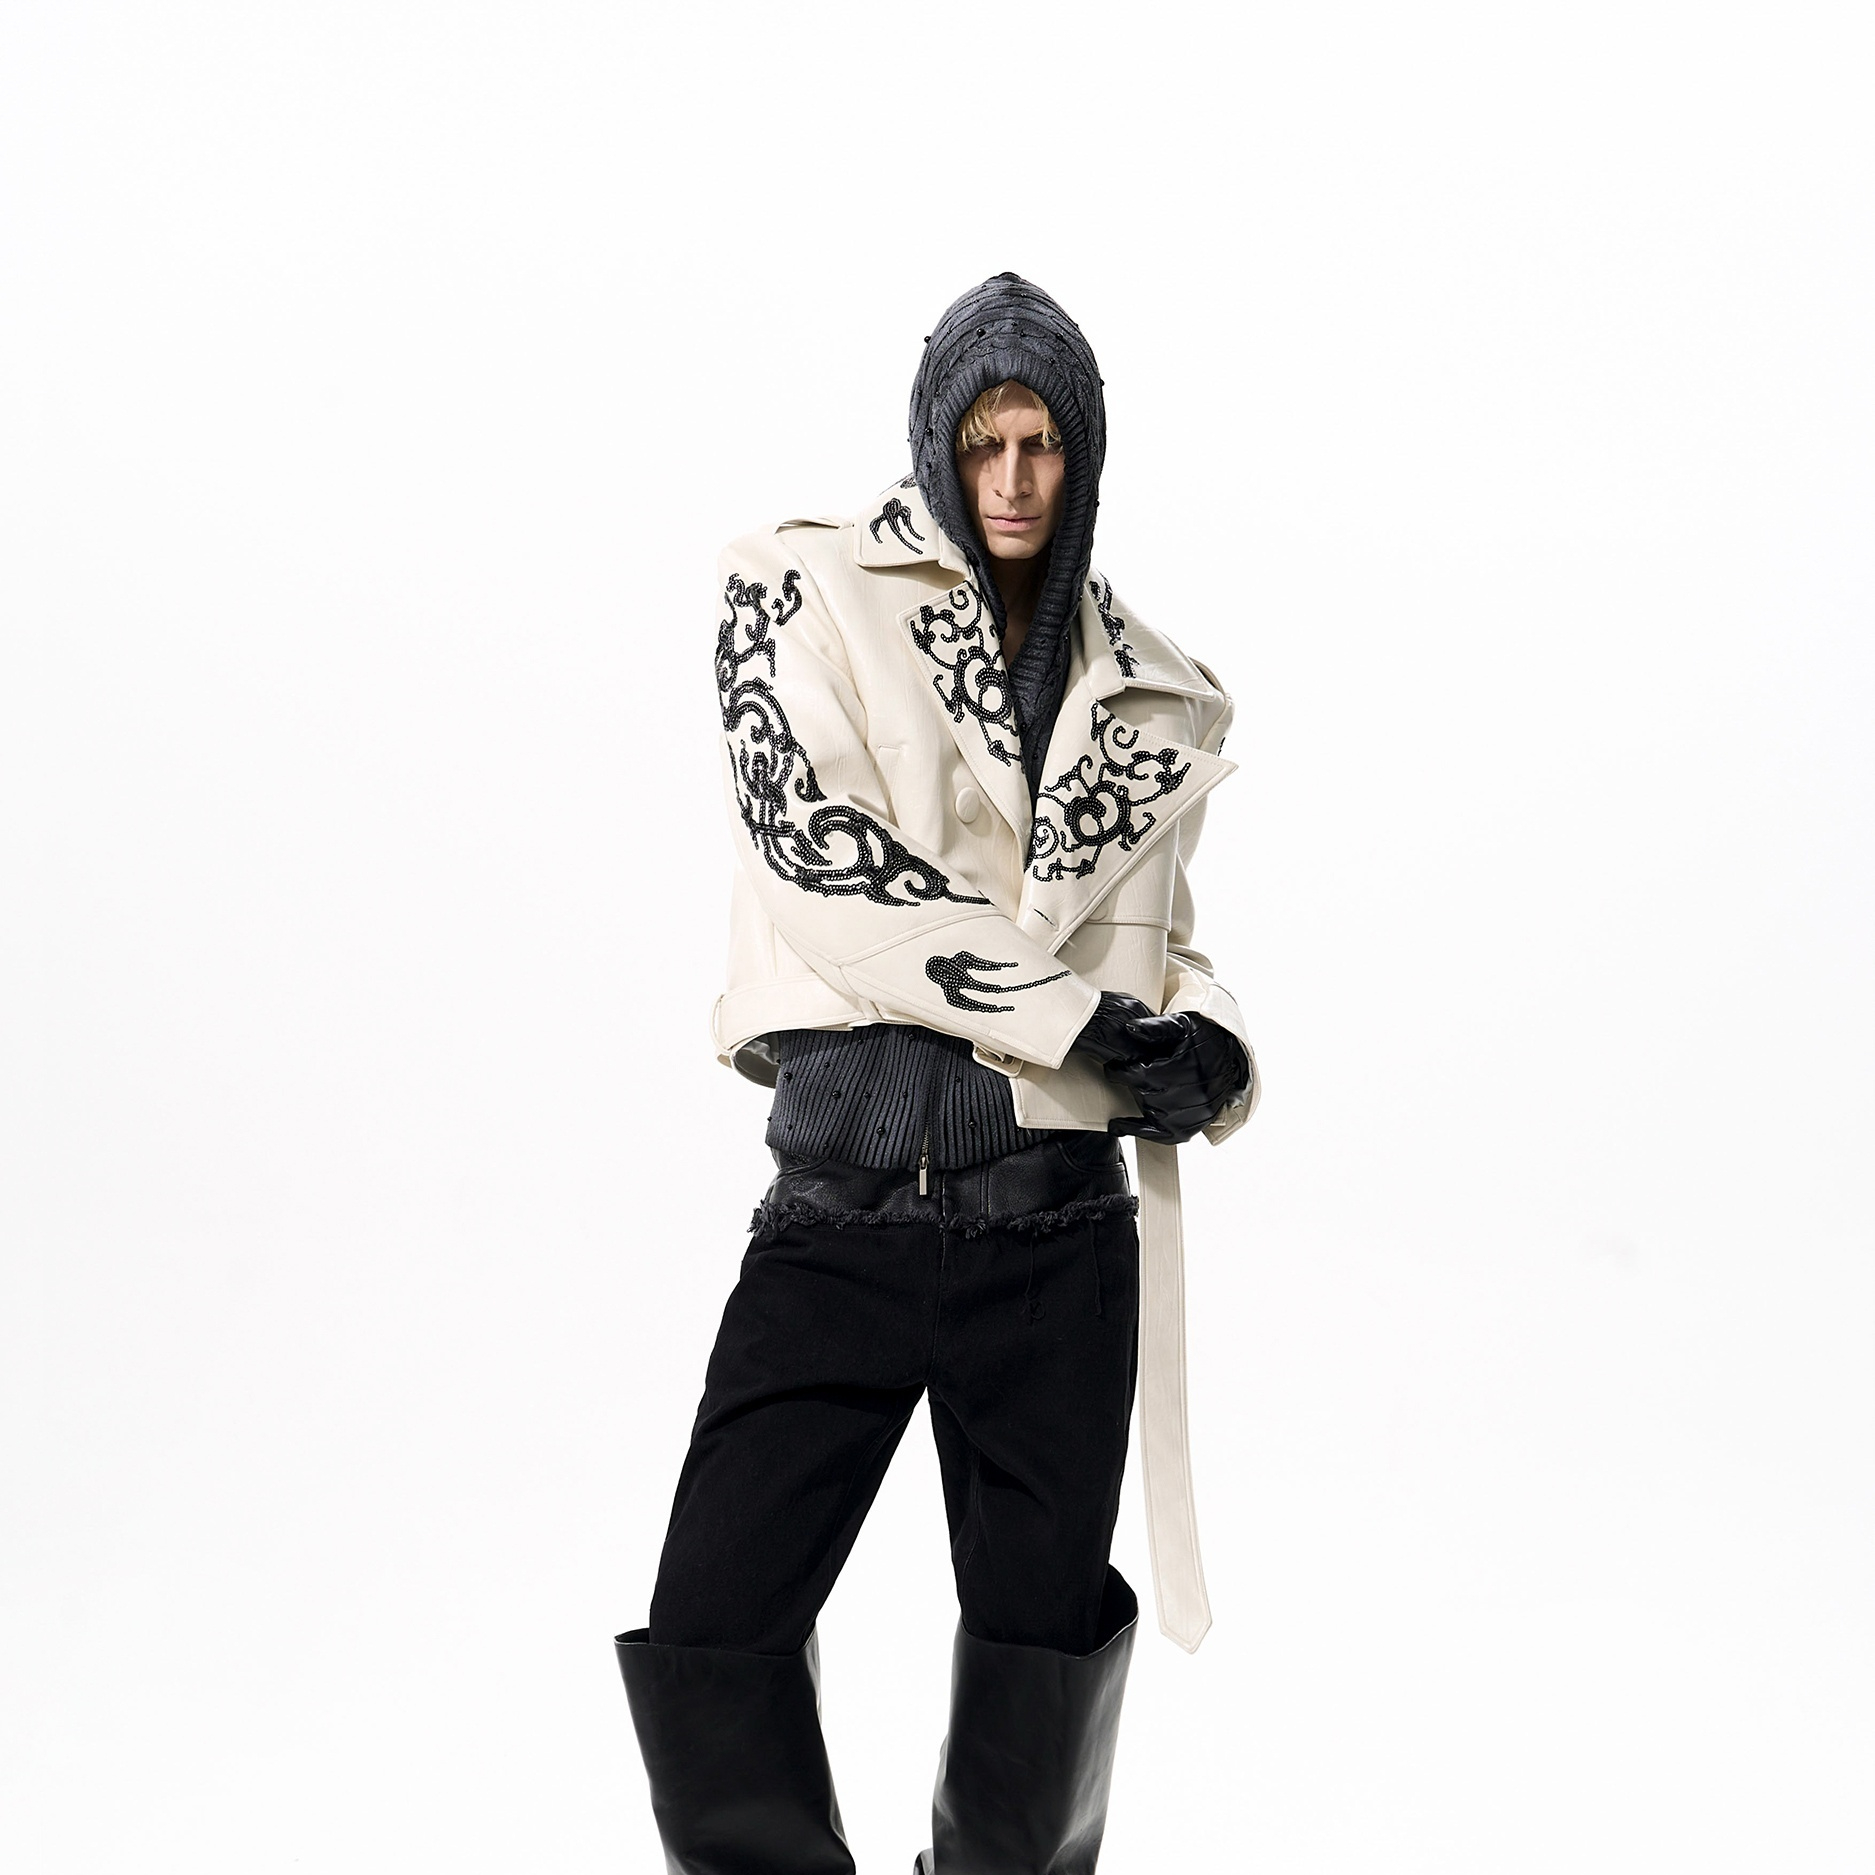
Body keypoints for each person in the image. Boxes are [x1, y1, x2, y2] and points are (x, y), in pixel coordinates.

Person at [613, 273, 1259, 1874]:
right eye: (984, 444)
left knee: (1040, 1676)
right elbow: (823, 865)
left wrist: (1210, 1047)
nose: (1014, 479)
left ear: (1083, 452)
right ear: (937, 445)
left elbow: (1166, 943)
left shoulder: (1156, 685)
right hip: (839, 1219)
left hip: (1057, 1236)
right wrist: (1077, 1022)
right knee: (712, 1631)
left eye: (1043, 444)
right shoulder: (801, 591)